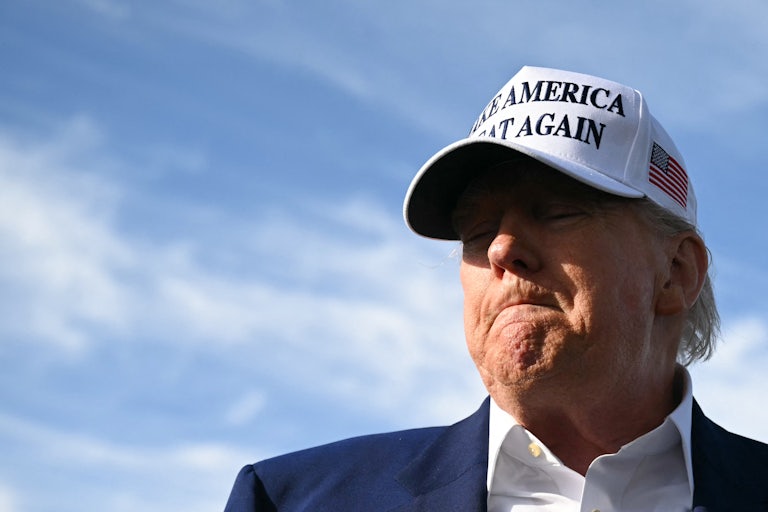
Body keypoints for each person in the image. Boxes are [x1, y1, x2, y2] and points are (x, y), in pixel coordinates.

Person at [223, 66, 768, 511]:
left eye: (555, 212)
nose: (502, 250)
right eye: (478, 231)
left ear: (676, 273)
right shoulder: (290, 502)